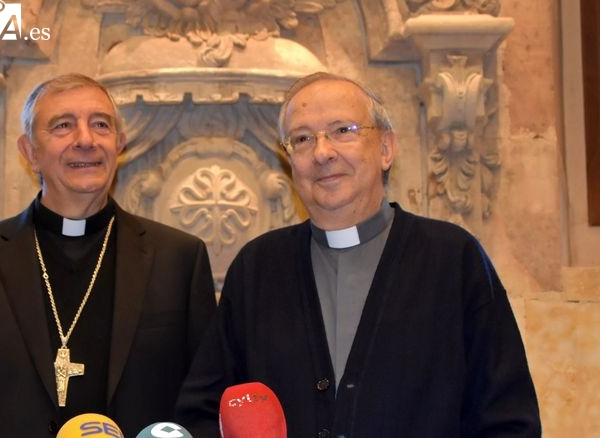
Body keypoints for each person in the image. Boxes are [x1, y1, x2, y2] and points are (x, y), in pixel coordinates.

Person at [175, 72, 541, 437]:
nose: (322, 153)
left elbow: (507, 421)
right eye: (302, 139)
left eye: (342, 131)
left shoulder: (453, 259)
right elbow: (202, 413)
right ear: (290, 162)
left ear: (385, 149)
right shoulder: (257, 268)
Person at [0, 73, 217, 438]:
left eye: (100, 125)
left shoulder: (178, 259)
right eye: (63, 126)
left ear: (120, 143)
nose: (85, 140)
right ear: (30, 152)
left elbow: (203, 407)